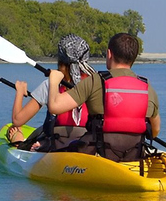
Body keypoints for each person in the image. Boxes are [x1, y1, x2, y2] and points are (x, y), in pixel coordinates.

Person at [47, 32, 160, 162]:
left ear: (109, 54)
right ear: (134, 58)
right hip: (133, 154)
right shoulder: (147, 87)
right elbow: (155, 130)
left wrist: (54, 81)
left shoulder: (95, 81)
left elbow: (55, 106)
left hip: (98, 154)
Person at [7, 34, 96, 151]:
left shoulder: (50, 84)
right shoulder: (96, 83)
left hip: (56, 145)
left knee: (15, 131)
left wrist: (19, 91)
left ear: (60, 60)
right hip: (88, 143)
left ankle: (18, 139)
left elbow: (18, 120)